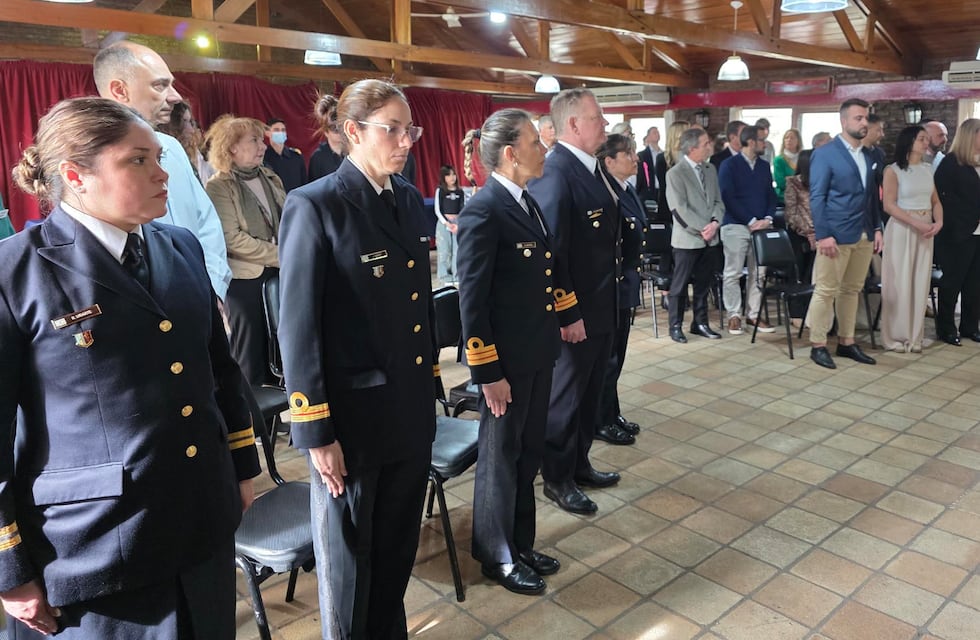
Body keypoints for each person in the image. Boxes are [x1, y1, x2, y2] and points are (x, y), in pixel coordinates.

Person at [0, 97, 259, 639]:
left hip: (201, 518)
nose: (162, 174)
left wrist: (240, 467)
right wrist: (9, 567)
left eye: (158, 158)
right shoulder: (16, 271)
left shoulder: (180, 246)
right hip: (98, 547)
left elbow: (220, 370)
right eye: (137, 161)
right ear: (76, 175)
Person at [277, 79, 436, 639]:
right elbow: (297, 328)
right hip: (352, 422)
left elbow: (418, 309)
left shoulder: (409, 198)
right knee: (349, 562)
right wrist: (316, 429)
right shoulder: (315, 203)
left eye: (409, 129)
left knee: (396, 551)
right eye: (392, 129)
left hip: (408, 409)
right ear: (353, 131)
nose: (406, 141)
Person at [456, 108, 560, 596]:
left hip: (536, 354)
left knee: (527, 454)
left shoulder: (526, 201)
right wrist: (487, 371)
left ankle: (520, 542)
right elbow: (472, 302)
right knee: (500, 459)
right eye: (536, 143)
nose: (545, 150)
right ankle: (496, 554)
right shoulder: (484, 209)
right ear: (511, 153)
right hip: (505, 364)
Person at [527, 88, 622, 516]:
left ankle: (580, 463)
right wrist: (567, 311)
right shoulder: (556, 171)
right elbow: (552, 251)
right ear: (573, 125)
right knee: (565, 399)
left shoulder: (592, 167)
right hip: (576, 313)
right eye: (597, 118)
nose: (604, 124)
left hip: (602, 304)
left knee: (589, 394)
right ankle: (558, 477)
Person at [93, 41, 233, 301]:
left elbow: (206, 224)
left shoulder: (173, 148)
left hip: (196, 298)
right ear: (119, 90)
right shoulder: (91, 160)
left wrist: (212, 290)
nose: (175, 96)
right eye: (160, 85)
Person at [205, 116, 285, 386]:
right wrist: (280, 254)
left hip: (278, 272)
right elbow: (231, 238)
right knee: (251, 354)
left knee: (280, 348)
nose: (262, 146)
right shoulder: (218, 186)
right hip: (245, 280)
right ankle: (252, 422)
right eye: (254, 141)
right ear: (231, 148)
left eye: (261, 140)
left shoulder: (271, 177)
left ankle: (279, 417)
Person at [806, 98, 884, 369]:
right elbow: (817, 197)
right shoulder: (826, 153)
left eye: (866, 118)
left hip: (863, 233)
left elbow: (873, 196)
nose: (864, 123)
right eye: (858, 118)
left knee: (852, 290)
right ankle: (818, 345)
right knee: (826, 290)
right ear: (844, 121)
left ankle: (846, 342)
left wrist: (876, 228)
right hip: (835, 235)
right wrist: (823, 234)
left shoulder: (871, 154)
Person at [595, 133, 647, 445]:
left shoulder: (625, 189)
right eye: (629, 154)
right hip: (612, 289)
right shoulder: (605, 193)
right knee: (608, 361)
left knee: (618, 358)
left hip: (626, 286)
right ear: (609, 161)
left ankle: (612, 413)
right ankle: (601, 421)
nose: (636, 159)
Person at [880, 125, 943, 353]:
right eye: (921, 139)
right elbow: (889, 204)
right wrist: (917, 223)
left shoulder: (928, 169)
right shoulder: (893, 170)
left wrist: (939, 222)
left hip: (926, 230)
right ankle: (896, 335)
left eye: (927, 139)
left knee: (919, 282)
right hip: (902, 229)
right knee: (900, 282)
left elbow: (935, 200)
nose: (926, 143)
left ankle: (915, 334)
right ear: (909, 142)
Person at [717, 124, 777, 335]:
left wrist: (768, 218)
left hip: (760, 226)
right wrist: (750, 220)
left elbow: (771, 194)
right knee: (733, 272)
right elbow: (727, 196)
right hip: (735, 225)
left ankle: (753, 315)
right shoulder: (729, 165)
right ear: (751, 142)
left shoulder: (763, 165)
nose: (765, 144)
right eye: (762, 140)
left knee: (758, 273)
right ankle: (734, 315)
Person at [665, 128, 724, 344]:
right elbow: (679, 209)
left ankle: (700, 323)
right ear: (692, 148)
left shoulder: (710, 169)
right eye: (706, 143)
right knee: (679, 287)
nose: (710, 146)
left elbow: (718, 201)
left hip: (710, 238)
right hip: (688, 240)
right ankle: (675, 325)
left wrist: (715, 223)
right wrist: (703, 229)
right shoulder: (675, 173)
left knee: (703, 284)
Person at [933, 118, 980, 346]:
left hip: (979, 233)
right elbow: (942, 199)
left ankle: (971, 326)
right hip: (958, 231)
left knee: (975, 282)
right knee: (953, 281)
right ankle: (946, 328)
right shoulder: (952, 163)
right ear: (971, 136)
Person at [158, 101, 215, 185]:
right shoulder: (161, 157)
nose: (191, 130)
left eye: (190, 122)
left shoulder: (198, 153)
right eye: (183, 121)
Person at [784, 149, 816, 283]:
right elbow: (791, 213)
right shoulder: (793, 183)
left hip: (820, 234)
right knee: (800, 272)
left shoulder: (822, 182)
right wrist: (809, 232)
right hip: (799, 234)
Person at [434, 165, 464, 285]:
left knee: (457, 250)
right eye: (448, 175)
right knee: (444, 250)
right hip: (444, 223)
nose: (452, 177)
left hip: (457, 224)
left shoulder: (460, 191)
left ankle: (457, 275)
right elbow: (437, 209)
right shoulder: (440, 191)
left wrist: (459, 223)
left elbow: (462, 208)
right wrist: (446, 222)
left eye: (453, 174)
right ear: (443, 177)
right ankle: (445, 276)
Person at [308, 94, 346, 182]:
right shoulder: (318, 157)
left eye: (341, 126)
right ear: (325, 131)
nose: (339, 132)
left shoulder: (354, 152)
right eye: (334, 129)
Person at [263, 118, 307, 193]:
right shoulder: (263, 157)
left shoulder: (296, 157)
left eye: (283, 130)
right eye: (276, 130)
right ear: (267, 132)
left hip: (295, 200)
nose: (280, 133)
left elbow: (304, 183)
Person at [773, 128, 802, 201]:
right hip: (784, 198)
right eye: (786, 138)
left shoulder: (803, 158)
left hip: (802, 197)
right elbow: (781, 183)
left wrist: (790, 179)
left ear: (798, 141)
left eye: (792, 138)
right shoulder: (779, 160)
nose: (789, 140)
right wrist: (799, 180)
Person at [636, 126, 661, 210]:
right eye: (654, 133)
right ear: (648, 137)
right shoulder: (642, 155)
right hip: (648, 190)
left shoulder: (664, 154)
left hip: (662, 189)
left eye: (658, 132)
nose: (657, 134)